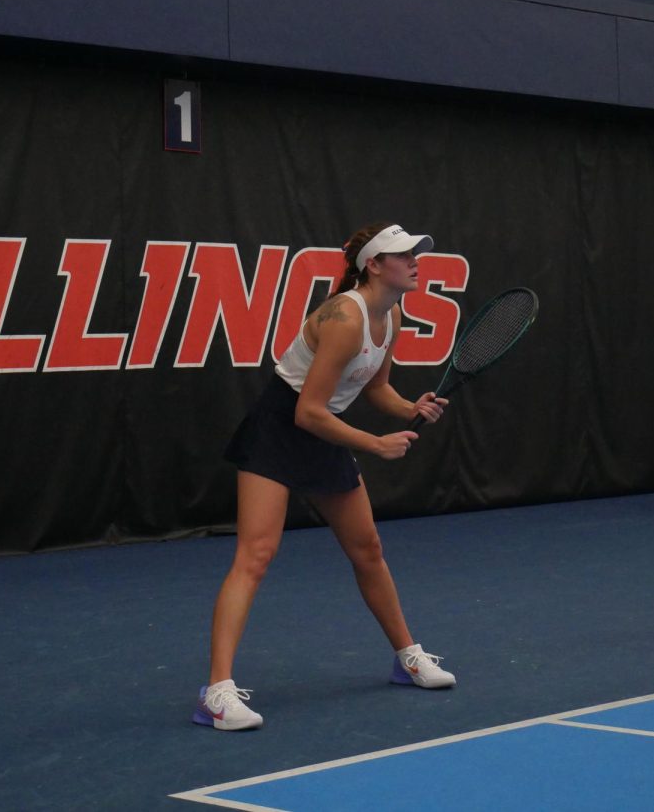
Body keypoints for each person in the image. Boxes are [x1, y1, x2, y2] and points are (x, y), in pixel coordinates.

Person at [192, 223, 457, 731]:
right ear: (374, 266)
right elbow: (307, 413)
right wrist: (376, 444)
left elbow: (377, 387)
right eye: (403, 255)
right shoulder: (342, 317)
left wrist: (409, 405)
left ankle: (408, 657)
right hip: (281, 428)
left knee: (368, 550)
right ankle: (217, 692)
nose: (415, 261)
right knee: (256, 555)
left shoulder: (391, 314)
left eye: (416, 254)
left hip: (324, 430)